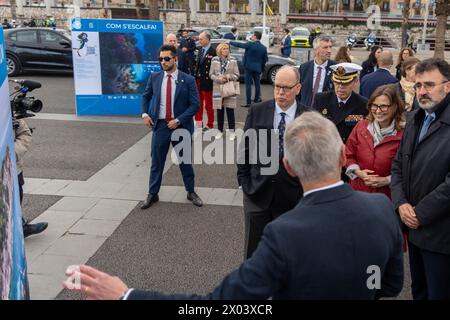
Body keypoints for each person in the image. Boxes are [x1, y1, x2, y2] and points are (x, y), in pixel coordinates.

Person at [64, 111, 404, 300]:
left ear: (287, 166)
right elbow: (389, 285)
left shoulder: (283, 234)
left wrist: (127, 296)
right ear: (344, 155)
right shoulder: (381, 211)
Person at [391, 58, 450, 300]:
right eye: (418, 86)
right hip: (414, 229)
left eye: (429, 85)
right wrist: (401, 204)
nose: (422, 91)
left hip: (441, 235)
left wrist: (419, 214)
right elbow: (397, 166)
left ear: (447, 86)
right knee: (419, 291)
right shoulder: (416, 118)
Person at [237, 66, 308, 259]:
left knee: (288, 252)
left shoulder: (309, 118)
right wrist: (245, 183)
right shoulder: (257, 111)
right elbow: (245, 149)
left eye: (286, 87)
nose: (280, 92)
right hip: (257, 194)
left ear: (298, 88)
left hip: (292, 198)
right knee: (253, 252)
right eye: (277, 87)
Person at [140, 44, 203, 209]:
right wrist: (145, 114)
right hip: (160, 126)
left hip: (180, 127)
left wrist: (179, 120)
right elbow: (145, 97)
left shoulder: (187, 79)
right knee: (157, 162)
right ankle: (153, 194)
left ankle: (191, 192)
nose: (163, 62)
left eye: (166, 59)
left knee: (185, 161)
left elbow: (195, 105)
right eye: (160, 59)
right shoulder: (155, 77)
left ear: (175, 59)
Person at [345, 84, 405, 199]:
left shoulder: (404, 134)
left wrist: (386, 180)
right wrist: (358, 172)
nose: (378, 111)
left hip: (387, 197)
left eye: (383, 106)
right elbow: (348, 154)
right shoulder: (361, 127)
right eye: (374, 105)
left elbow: (408, 169)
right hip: (358, 193)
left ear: (395, 107)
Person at [312, 62, 368, 145]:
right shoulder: (321, 99)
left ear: (355, 81)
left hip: (348, 152)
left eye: (346, 83)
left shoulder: (363, 104)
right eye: (337, 82)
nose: (340, 87)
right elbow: (311, 126)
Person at [14, 119, 48, 237]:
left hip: (12, 167)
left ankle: (20, 228)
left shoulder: (8, 109)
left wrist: (12, 152)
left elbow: (24, 133)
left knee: (16, 198)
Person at [209, 43, 240, 141]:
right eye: (224, 49)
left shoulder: (233, 60)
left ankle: (232, 132)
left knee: (230, 110)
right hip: (218, 87)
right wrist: (218, 79)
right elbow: (211, 74)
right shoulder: (214, 59)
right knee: (220, 111)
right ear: (219, 50)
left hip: (229, 87)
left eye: (227, 48)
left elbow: (237, 75)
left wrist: (228, 77)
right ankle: (219, 131)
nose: (226, 50)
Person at [230, 31, 268, 108]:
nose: (251, 37)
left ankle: (248, 102)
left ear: (254, 37)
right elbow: (265, 60)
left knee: (248, 85)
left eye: (252, 36)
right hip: (258, 68)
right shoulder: (263, 48)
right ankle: (257, 100)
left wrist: (230, 42)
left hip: (248, 67)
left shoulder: (250, 44)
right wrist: (262, 69)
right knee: (257, 85)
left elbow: (240, 45)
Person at [297, 35, 336, 107]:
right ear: (316, 50)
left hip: (326, 113)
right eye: (325, 47)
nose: (329, 51)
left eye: (330, 47)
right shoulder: (304, 68)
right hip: (305, 111)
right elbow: (298, 92)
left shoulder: (335, 68)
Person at [193, 31, 216, 130]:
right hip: (198, 80)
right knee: (198, 103)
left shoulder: (213, 51)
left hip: (208, 82)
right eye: (199, 39)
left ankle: (210, 124)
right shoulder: (200, 49)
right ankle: (198, 123)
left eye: (201, 39)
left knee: (208, 105)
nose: (199, 41)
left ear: (207, 39)